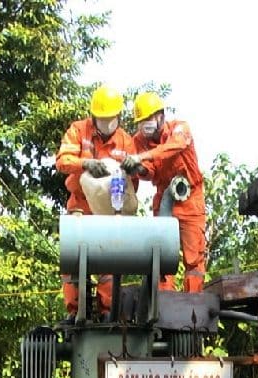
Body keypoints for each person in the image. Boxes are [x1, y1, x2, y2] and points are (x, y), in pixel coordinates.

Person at [55, 85, 136, 321]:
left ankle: (107, 310)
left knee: (109, 262)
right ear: (93, 116)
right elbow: (62, 161)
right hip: (80, 207)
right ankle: (75, 311)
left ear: (119, 117)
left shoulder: (126, 142)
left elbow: (133, 184)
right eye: (102, 119)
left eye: (111, 119)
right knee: (72, 258)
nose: (107, 123)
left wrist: (132, 171)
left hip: (109, 212)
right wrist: (85, 164)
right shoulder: (79, 130)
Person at [121, 92, 207, 292]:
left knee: (194, 258)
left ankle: (194, 303)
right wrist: (138, 168)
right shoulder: (139, 141)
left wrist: (141, 157)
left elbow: (174, 146)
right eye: (141, 121)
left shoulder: (179, 128)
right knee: (162, 258)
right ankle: (164, 303)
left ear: (160, 115)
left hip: (190, 199)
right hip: (163, 199)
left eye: (148, 118)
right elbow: (149, 172)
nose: (145, 124)